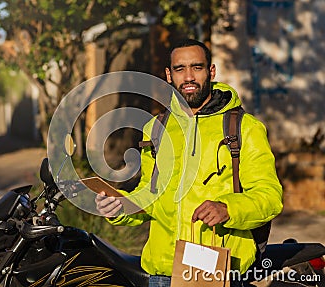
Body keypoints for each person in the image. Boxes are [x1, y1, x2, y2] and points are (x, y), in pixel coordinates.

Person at [95, 38, 283, 287]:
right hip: (162, 273)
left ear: (211, 71)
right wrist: (119, 207)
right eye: (180, 69)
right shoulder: (156, 128)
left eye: (197, 67)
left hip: (219, 272)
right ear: (169, 75)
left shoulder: (244, 128)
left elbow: (270, 197)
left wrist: (228, 208)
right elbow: (150, 198)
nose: (189, 77)